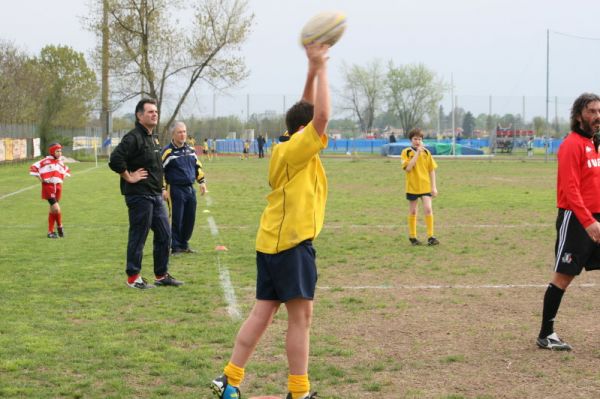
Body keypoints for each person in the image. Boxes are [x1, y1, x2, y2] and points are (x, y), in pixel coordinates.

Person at [211, 43, 330, 399]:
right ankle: (300, 391)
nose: (323, 133)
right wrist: (323, 68)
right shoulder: (296, 147)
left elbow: (306, 113)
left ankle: (229, 379)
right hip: (291, 246)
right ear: (304, 131)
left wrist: (310, 71)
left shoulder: (288, 144)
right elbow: (319, 117)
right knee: (301, 320)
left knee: (262, 315)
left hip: (274, 244)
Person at [536, 93, 600, 351]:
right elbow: (570, 189)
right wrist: (588, 222)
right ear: (578, 116)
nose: (597, 116)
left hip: (596, 218)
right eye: (591, 111)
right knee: (563, 277)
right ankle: (546, 334)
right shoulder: (571, 145)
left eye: (599, 111)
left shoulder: (595, 144)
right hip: (576, 220)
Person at [108, 98, 183, 289]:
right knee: (138, 236)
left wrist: (162, 188)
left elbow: (156, 167)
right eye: (150, 112)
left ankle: (161, 275)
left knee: (165, 235)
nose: (154, 114)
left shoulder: (153, 138)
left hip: (155, 195)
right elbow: (115, 159)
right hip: (139, 195)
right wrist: (129, 176)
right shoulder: (133, 137)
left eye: (156, 111)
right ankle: (133, 278)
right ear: (139, 116)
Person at [162, 121, 207, 255]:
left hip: (189, 189)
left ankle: (184, 244)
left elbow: (197, 166)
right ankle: (175, 246)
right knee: (177, 218)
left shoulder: (190, 150)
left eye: (184, 132)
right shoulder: (168, 152)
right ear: (173, 134)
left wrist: (202, 181)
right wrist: (163, 188)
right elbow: (159, 171)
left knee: (190, 217)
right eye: (179, 132)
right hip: (175, 189)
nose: (182, 135)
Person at [401, 128, 439, 246]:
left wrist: (434, 187)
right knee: (413, 211)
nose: (417, 141)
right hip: (412, 186)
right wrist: (417, 153)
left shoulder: (427, 153)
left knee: (428, 209)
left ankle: (431, 237)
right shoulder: (406, 152)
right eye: (415, 139)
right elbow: (408, 168)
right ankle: (413, 237)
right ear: (411, 140)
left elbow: (431, 170)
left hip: (425, 186)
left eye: (419, 139)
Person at [29, 143, 70, 238]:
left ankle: (50, 232)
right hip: (48, 187)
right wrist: (40, 179)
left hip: (58, 187)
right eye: (57, 151)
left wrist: (62, 178)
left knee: (53, 210)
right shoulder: (45, 161)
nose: (59, 153)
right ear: (52, 151)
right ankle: (60, 226)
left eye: (60, 151)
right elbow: (33, 167)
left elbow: (66, 170)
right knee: (56, 208)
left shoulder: (60, 162)